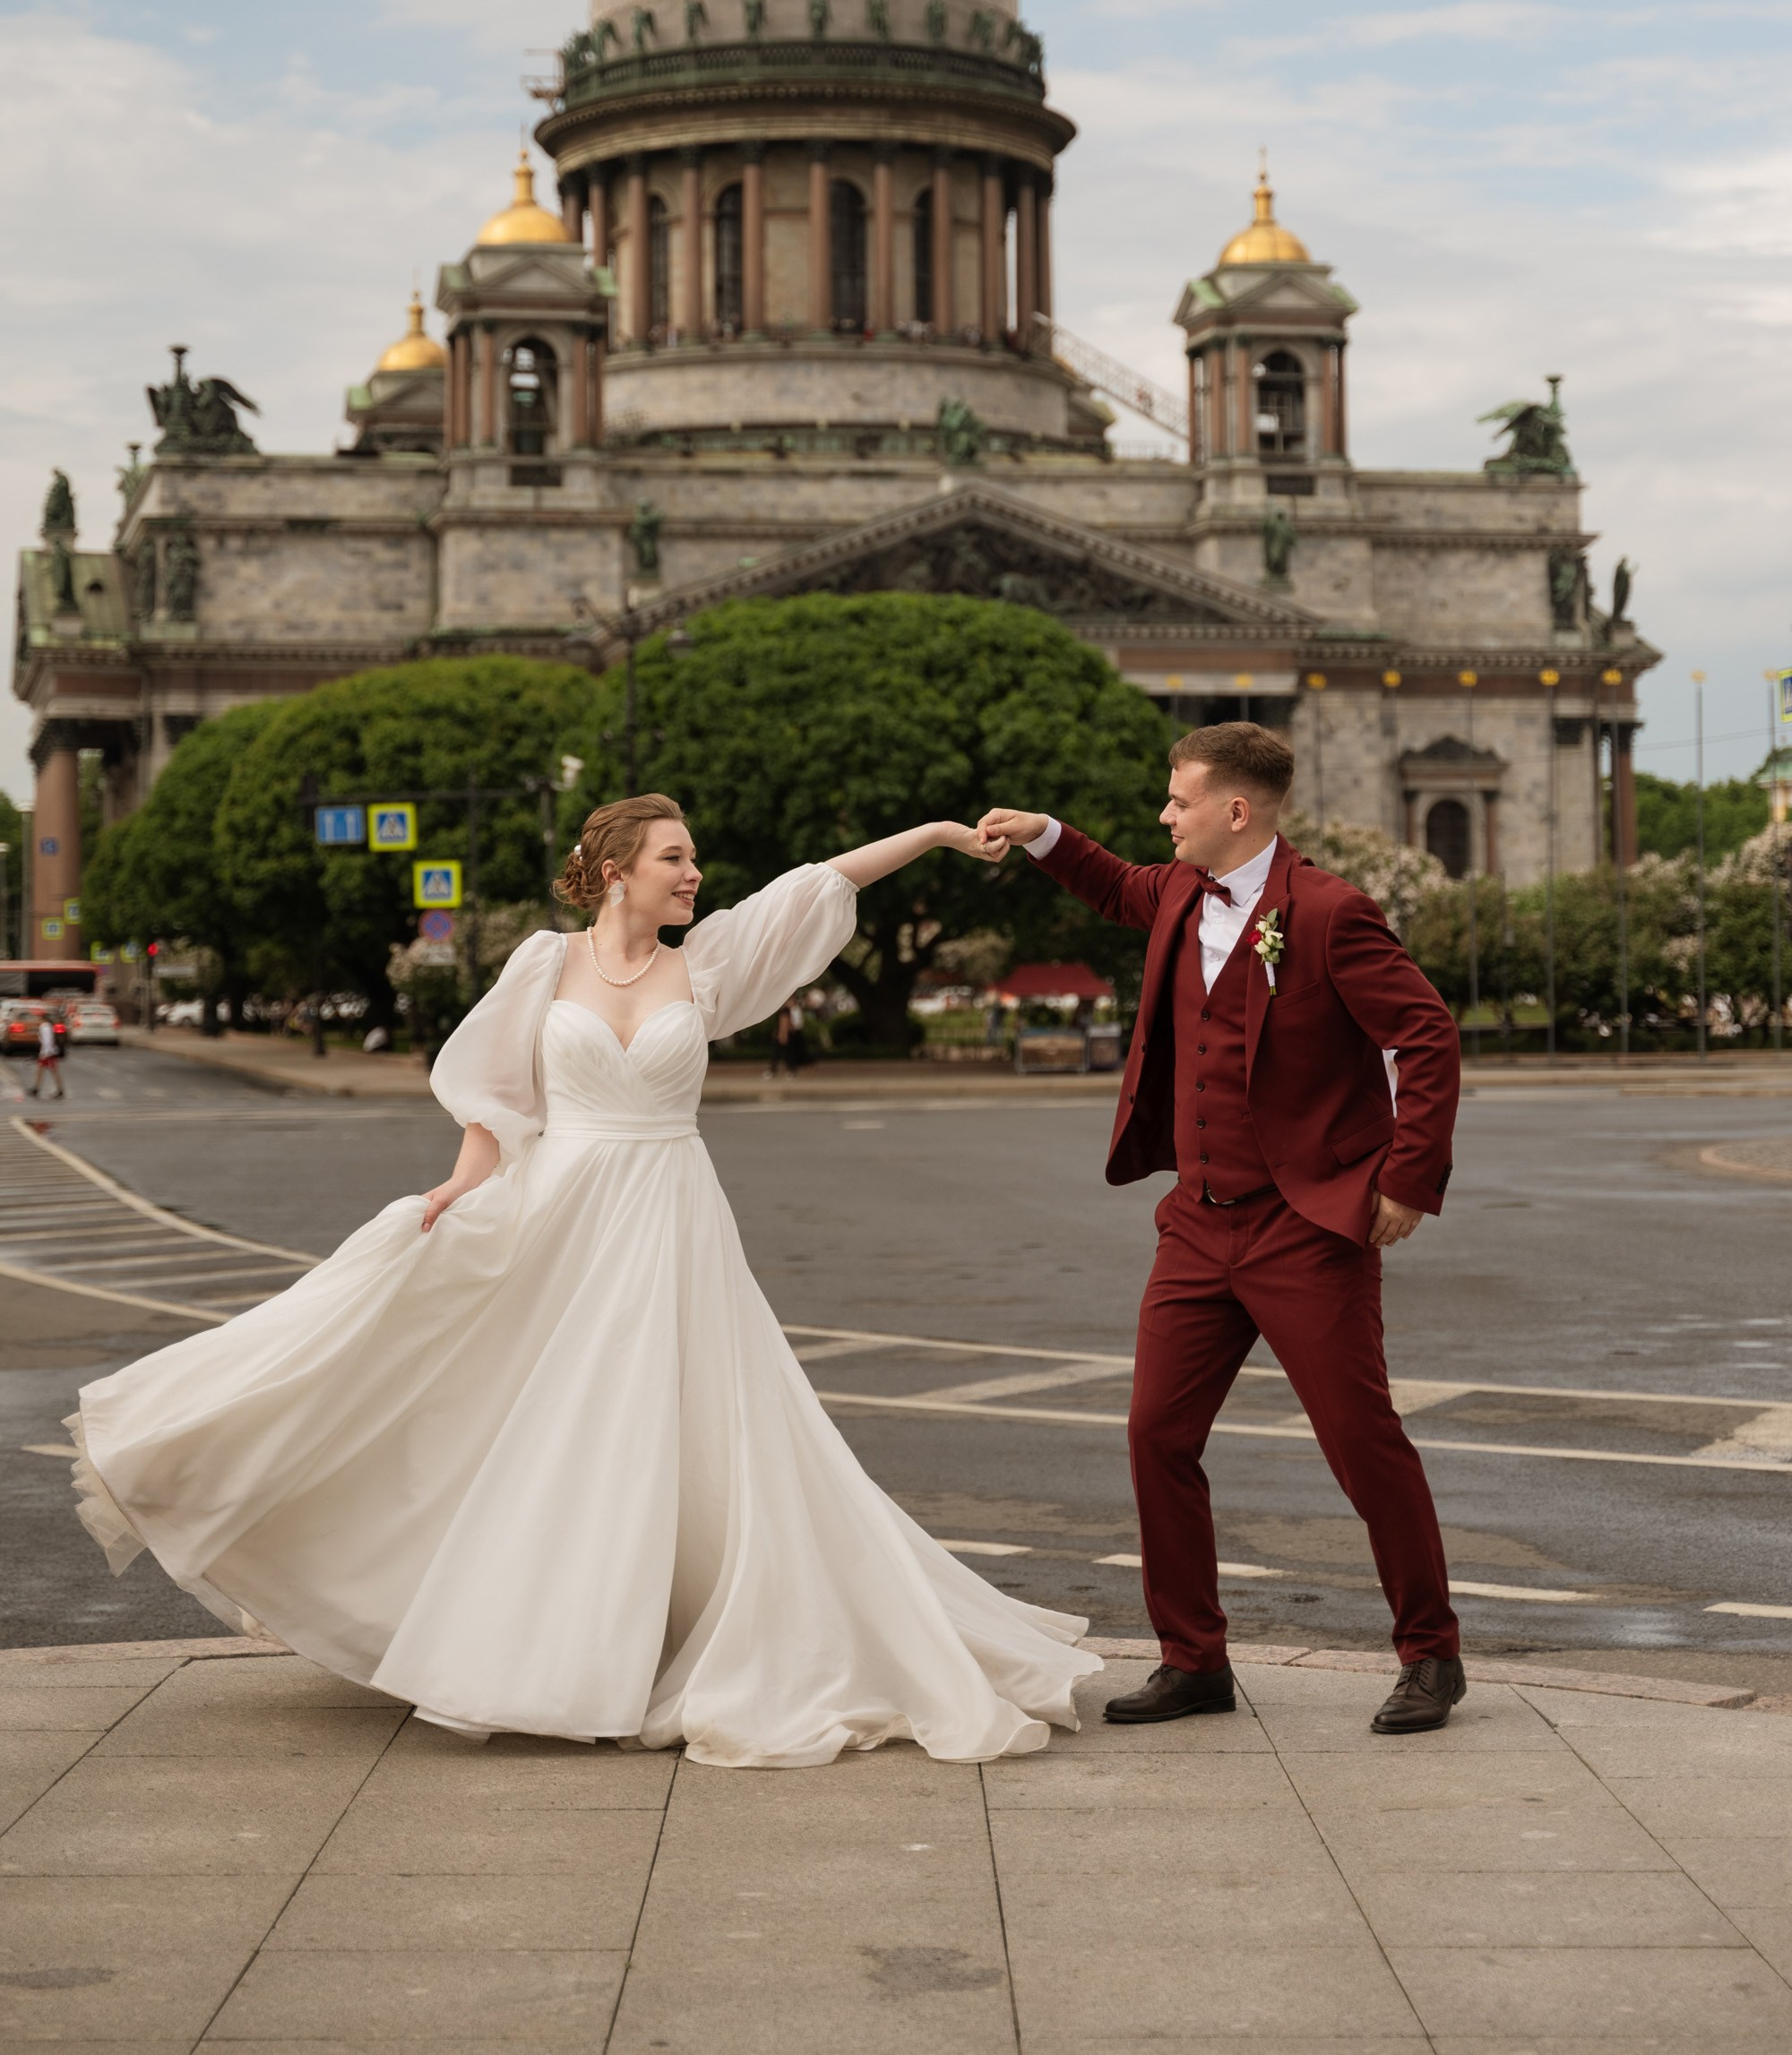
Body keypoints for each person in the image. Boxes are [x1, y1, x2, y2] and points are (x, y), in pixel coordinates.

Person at [70, 796, 1098, 1766]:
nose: (694, 872)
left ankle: (632, 1642)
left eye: (692, 858)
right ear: (616, 873)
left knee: (659, 1426)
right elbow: (495, 1101)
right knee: (524, 1415)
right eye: (674, 857)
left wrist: (929, 834)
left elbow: (820, 880)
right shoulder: (541, 962)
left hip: (669, 1213)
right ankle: (537, 1640)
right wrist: (458, 1190)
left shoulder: (707, 967)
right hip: (556, 1209)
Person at [978, 722, 1466, 1738]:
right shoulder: (1172, 894)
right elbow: (1112, 882)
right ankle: (1191, 1659)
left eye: (1176, 799)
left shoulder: (1328, 912)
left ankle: (1430, 1653)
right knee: (1156, 1433)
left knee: (1359, 1443)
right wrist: (1040, 834)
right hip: (1195, 1226)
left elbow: (1423, 1032)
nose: (1163, 815)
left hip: (1306, 1229)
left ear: (1233, 810)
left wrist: (1406, 1178)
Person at [27, 1010, 65, 1099]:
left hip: (48, 1053)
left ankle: (59, 1090)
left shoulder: (45, 1026)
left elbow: (47, 1041)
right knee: (41, 1070)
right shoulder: (47, 1026)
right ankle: (36, 1088)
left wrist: (44, 1053)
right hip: (48, 1052)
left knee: (53, 1071)